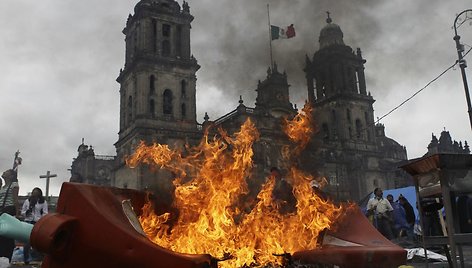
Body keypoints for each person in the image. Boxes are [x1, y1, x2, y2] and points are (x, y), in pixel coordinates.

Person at [21, 187, 48, 264]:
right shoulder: (27, 201)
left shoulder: (43, 202)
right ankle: (26, 259)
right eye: (33, 193)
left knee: (36, 241)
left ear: (39, 194)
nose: (34, 194)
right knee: (26, 241)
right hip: (28, 222)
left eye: (36, 193)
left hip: (37, 223)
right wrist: (27, 212)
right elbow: (22, 212)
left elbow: (45, 213)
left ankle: (37, 257)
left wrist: (40, 220)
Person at [0, 169, 19, 262]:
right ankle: (2, 256)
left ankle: (7, 257)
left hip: (9, 209)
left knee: (7, 234)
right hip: (1, 210)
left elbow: (15, 199)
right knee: (1, 234)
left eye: (6, 171)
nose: (4, 172)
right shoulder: (3, 187)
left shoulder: (14, 185)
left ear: (11, 176)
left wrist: (17, 213)